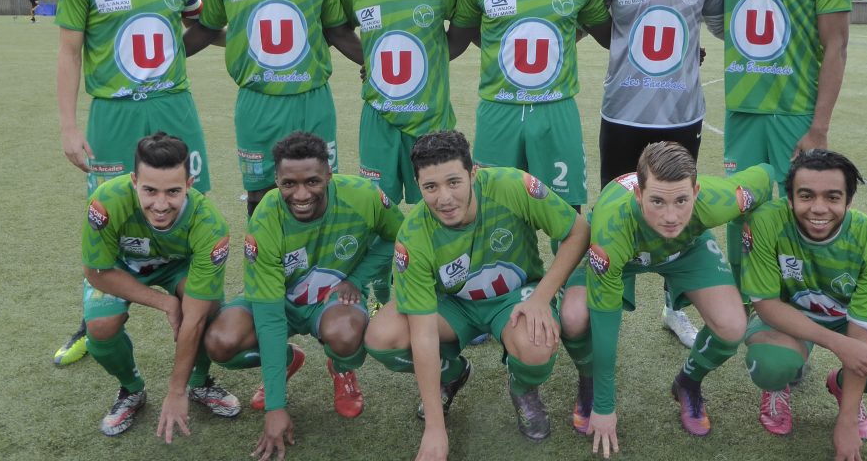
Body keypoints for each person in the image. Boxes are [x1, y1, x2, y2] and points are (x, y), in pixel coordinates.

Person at [53, 0, 213, 367]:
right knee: (106, 213)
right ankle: (93, 318)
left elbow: (201, 27)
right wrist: (68, 127)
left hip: (173, 106)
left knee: (189, 206)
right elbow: (69, 53)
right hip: (114, 113)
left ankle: (198, 312)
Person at [365, 130, 591, 459]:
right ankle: (452, 373)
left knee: (536, 342)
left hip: (514, 297)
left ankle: (523, 388)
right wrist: (435, 428)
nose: (444, 198)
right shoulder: (413, 235)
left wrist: (542, 297)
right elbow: (423, 333)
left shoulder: (512, 186)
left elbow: (578, 231)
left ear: (473, 173)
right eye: (431, 187)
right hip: (452, 306)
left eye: (453, 182)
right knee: (382, 336)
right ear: (418, 185)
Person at [562, 142, 773, 455]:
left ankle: (688, 382)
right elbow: (605, 319)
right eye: (657, 201)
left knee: (732, 326)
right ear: (639, 195)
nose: (671, 216)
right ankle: (588, 380)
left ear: (696, 192)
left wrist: (747, 280)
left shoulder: (720, 199)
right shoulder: (612, 227)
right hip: (625, 253)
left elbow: (766, 176)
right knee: (573, 317)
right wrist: (605, 405)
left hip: (685, 250)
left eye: (682, 200)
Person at [204, 131, 403, 461]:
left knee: (345, 333)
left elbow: (399, 236)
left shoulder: (363, 195)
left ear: (328, 174)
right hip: (279, 301)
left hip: (333, 302)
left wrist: (357, 278)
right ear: (276, 181)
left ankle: (341, 367)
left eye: (312, 181)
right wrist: (276, 406)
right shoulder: (266, 218)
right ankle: (286, 361)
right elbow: (269, 318)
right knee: (220, 342)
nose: (300, 194)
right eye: (289, 184)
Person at [592, 0, 725, 348]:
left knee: (676, 217)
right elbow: (599, 23)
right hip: (622, 112)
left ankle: (674, 308)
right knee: (615, 215)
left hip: (681, 116)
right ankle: (608, 306)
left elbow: (717, 24)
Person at [708, 0, 851, 283]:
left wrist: (820, 126)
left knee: (801, 207)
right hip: (743, 111)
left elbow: (836, 46)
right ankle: (744, 295)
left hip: (795, 111)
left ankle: (797, 293)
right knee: (741, 209)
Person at [742, 149, 867, 461]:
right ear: (790, 198)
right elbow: (766, 304)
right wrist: (838, 343)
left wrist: (846, 421)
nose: (819, 208)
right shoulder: (766, 222)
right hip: (788, 315)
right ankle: (778, 387)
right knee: (771, 365)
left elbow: (863, 329)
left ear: (849, 200)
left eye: (832, 197)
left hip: (850, 317)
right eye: (806, 195)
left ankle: (843, 386)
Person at [187, 0, 363, 218]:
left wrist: (374, 64)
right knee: (260, 195)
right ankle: (262, 251)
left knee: (320, 188)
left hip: (311, 98)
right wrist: (168, 57)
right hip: (257, 100)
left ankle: (319, 251)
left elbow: (337, 30)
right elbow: (208, 27)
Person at [449, 0, 610, 224]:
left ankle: (568, 266)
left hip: (556, 110)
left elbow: (612, 37)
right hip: (498, 110)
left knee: (566, 216)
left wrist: (684, 50)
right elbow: (453, 43)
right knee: (494, 215)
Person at [80, 132, 239, 439]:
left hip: (178, 266)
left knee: (208, 309)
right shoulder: (106, 201)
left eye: (173, 191)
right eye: (150, 190)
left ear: (189, 185)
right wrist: (165, 302)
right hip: (122, 266)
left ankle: (199, 383)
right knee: (100, 326)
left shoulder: (210, 224)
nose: (161, 204)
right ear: (134, 181)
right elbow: (96, 272)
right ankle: (131, 390)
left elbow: (194, 317)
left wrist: (176, 391)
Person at [342, 0, 460, 206]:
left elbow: (464, 31)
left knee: (437, 206)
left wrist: (432, 61)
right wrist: (372, 61)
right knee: (378, 206)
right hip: (378, 117)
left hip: (430, 118)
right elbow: (337, 30)